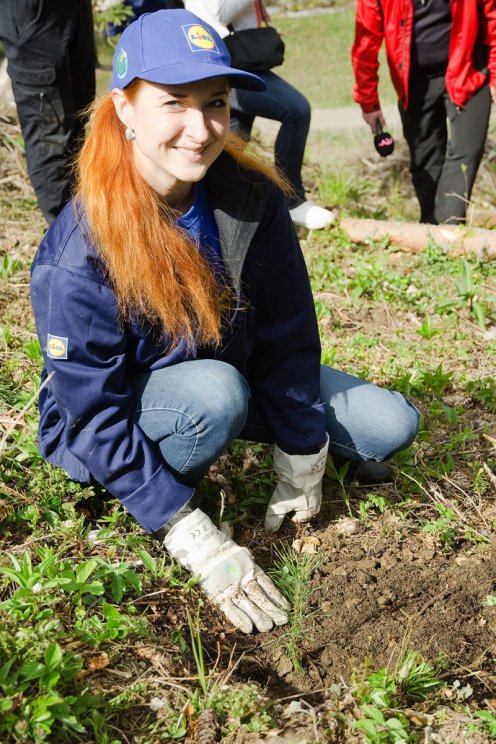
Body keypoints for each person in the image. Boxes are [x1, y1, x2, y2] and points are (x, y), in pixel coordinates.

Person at [30, 9, 420, 635]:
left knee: (388, 424)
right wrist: (194, 536)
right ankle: (154, 495)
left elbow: (288, 332)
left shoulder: (250, 194)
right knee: (213, 395)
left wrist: (301, 448)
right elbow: (92, 410)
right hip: (125, 408)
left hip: (227, 372)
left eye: (214, 103)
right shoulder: (81, 247)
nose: (200, 128)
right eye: (173, 103)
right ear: (125, 109)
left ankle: (248, 432)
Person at [184, 0, 335, 230]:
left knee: (232, 140)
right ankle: (292, 200)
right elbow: (219, 11)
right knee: (296, 110)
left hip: (243, 58)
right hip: (223, 61)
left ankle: (208, 207)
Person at [352, 0, 496, 225]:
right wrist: (369, 101)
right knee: (425, 161)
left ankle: (446, 230)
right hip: (413, 82)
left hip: (468, 70)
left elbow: (492, 17)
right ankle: (432, 230)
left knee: (467, 151)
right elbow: (365, 41)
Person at [0, 0, 96, 225]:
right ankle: (66, 237)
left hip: (69, 9)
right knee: (50, 136)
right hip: (32, 15)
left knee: (80, 110)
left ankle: (85, 221)